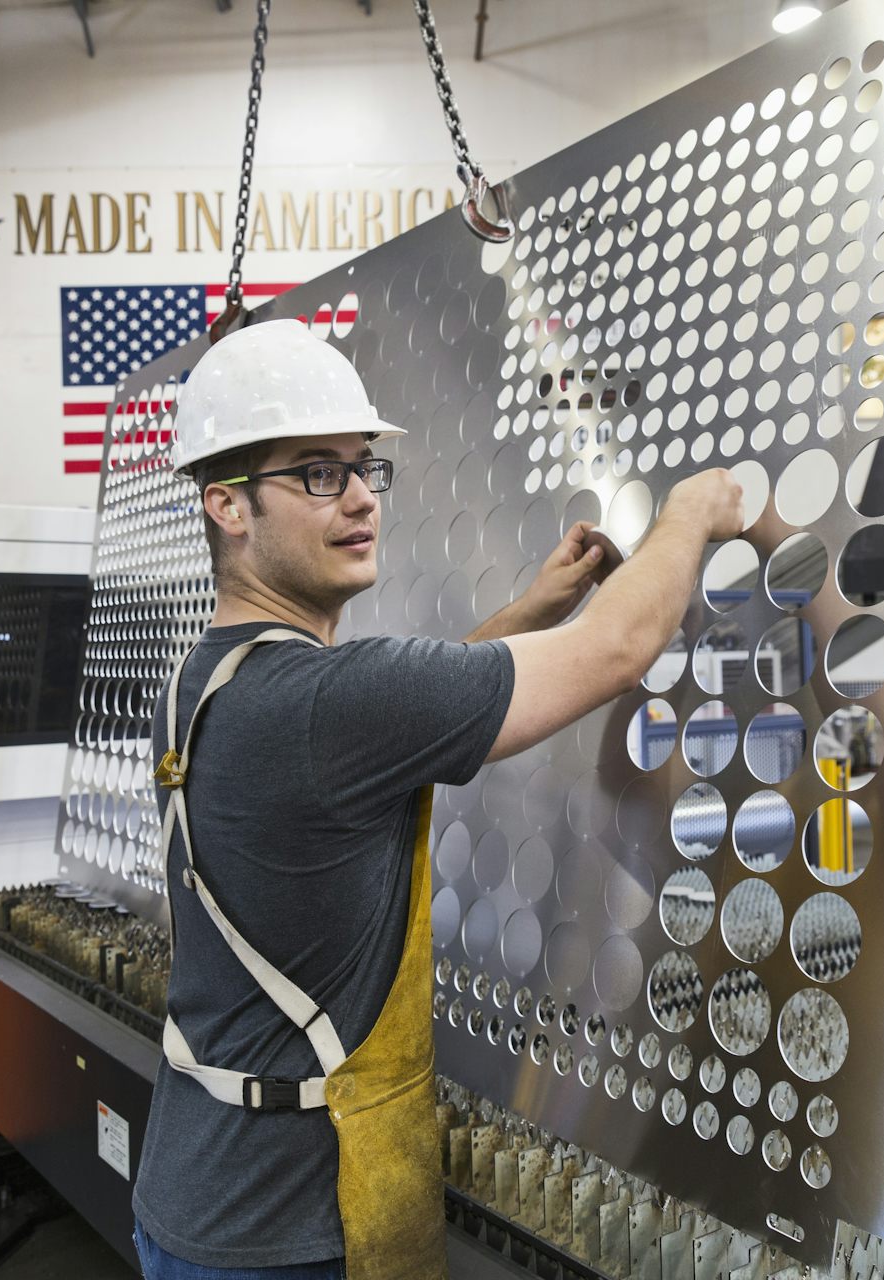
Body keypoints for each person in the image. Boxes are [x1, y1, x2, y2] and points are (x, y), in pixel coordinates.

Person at [130, 319, 743, 1280]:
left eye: (365, 469)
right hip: (289, 1234)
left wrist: (536, 608)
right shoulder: (329, 701)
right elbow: (622, 648)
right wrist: (695, 512)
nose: (363, 497)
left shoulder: (210, 681)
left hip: (193, 1189)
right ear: (227, 506)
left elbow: (397, 721)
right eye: (317, 473)